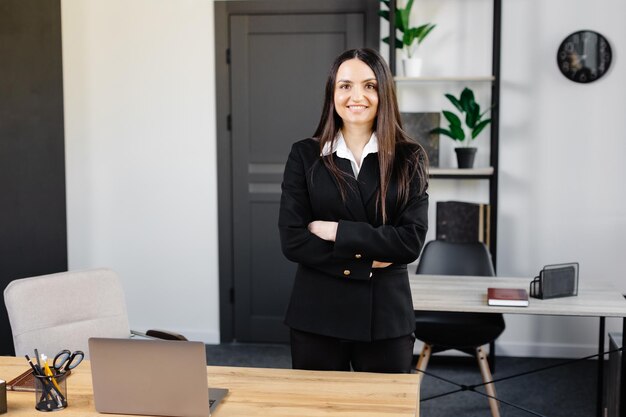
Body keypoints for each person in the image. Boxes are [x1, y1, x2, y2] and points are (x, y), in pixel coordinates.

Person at [278, 48, 429, 373]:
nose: (356, 95)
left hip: (385, 316)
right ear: (332, 93)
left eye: (369, 85)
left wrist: (335, 231)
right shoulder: (304, 156)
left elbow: (410, 243)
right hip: (317, 313)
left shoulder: (409, 158)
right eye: (345, 85)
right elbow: (293, 241)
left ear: (383, 92)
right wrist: (371, 254)